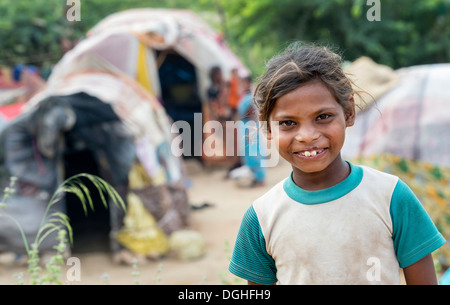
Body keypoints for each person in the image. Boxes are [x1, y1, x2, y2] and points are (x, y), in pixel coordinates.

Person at [228, 42, 446, 285]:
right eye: (288, 123)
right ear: (267, 127)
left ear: (349, 112)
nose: (307, 136)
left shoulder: (392, 197)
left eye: (323, 117)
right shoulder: (261, 218)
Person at [235, 75, 266, 187]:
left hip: (250, 127)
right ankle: (254, 178)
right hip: (244, 126)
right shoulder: (244, 96)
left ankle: (260, 179)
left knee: (254, 153)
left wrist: (250, 131)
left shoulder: (251, 97)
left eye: (244, 83)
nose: (242, 85)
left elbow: (253, 115)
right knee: (247, 154)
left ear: (248, 83)